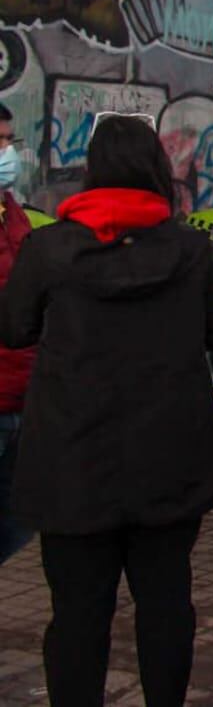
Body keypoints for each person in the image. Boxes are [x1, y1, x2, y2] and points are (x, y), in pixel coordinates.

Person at [0, 115, 213, 706]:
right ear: (155, 170)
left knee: (78, 614)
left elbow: (12, 327)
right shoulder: (190, 249)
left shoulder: (48, 247)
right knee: (165, 604)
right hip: (170, 463)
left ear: (94, 172)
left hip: (73, 464)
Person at [0, 103, 36, 566]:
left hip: (22, 398)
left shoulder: (12, 212)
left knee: (21, 516)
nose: (6, 152)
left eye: (9, 141)